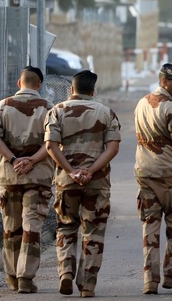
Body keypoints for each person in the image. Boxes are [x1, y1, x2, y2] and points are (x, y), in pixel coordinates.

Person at [44, 70, 121, 298]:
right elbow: (113, 148)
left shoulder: (56, 111)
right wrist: (90, 171)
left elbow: (50, 146)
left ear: (71, 90)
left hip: (66, 183)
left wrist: (72, 171)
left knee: (66, 227)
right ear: (93, 91)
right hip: (97, 183)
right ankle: (87, 286)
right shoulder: (106, 113)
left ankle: (66, 273)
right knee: (93, 232)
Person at [0, 66, 54, 294]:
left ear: (19, 83)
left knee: (10, 228)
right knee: (31, 227)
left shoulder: (1, 106)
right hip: (38, 177)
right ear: (39, 84)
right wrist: (32, 161)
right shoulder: (49, 108)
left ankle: (12, 276)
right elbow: (53, 142)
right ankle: (26, 277)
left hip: (10, 176)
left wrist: (14, 159)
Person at [134, 63, 172, 295]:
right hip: (168, 174)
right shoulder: (171, 109)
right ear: (165, 82)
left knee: (150, 226)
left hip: (145, 172)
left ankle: (150, 279)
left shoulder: (141, 103)